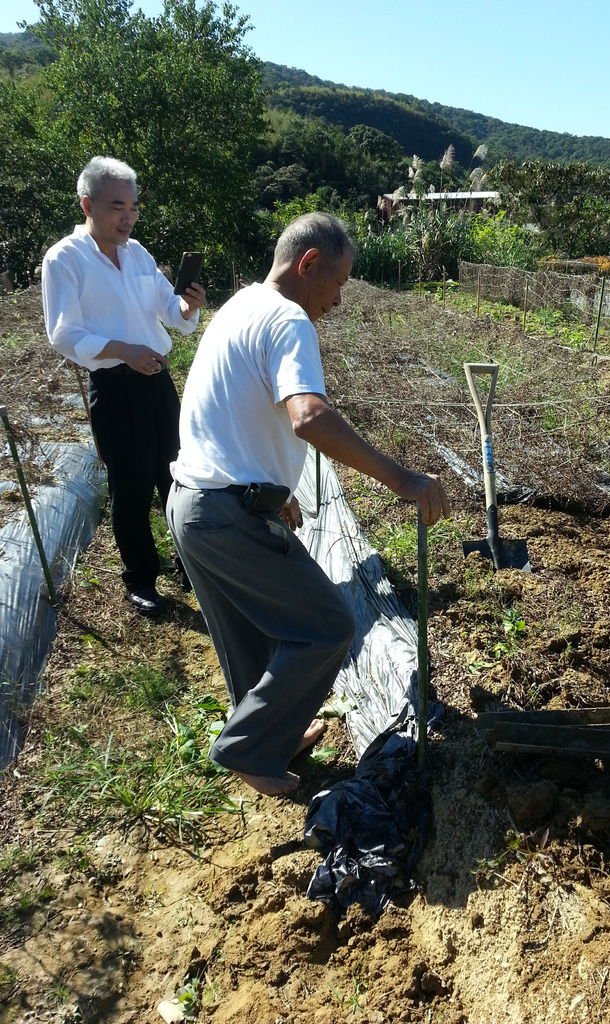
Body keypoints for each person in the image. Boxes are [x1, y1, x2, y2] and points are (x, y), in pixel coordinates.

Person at [167, 212, 450, 796]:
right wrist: (402, 479)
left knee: (250, 634)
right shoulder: (289, 319)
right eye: (339, 282)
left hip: (196, 502)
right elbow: (308, 415)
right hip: (226, 513)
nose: (339, 300)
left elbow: (233, 409)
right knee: (325, 626)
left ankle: (272, 733)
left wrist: (273, 491)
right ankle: (247, 748)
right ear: (310, 264)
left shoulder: (240, 304)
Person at [42, 156, 206, 616]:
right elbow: (63, 333)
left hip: (157, 383)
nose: (128, 216)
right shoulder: (65, 259)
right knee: (131, 487)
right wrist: (123, 350)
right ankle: (140, 579)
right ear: (86, 204)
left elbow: (169, 314)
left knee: (176, 476)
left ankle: (190, 562)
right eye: (118, 206)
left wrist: (189, 307)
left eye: (133, 206)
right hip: (114, 388)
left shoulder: (139, 254)